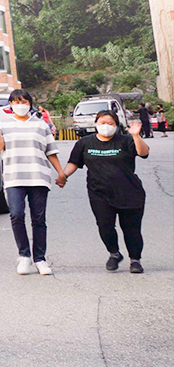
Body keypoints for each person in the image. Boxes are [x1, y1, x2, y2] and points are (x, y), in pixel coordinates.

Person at [0, 89, 66, 276]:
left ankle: (40, 259)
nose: (20, 105)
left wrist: (60, 173)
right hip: (14, 177)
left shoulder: (40, 125)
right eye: (16, 102)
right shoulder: (4, 125)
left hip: (38, 176)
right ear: (10, 104)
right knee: (16, 214)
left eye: (24, 102)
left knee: (39, 219)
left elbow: (50, 151)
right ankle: (24, 255)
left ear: (30, 104)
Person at [63, 110, 149, 273]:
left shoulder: (126, 140)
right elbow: (74, 162)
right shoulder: (85, 143)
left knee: (131, 228)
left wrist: (136, 136)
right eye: (102, 123)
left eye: (110, 123)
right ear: (96, 123)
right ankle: (114, 253)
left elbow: (143, 153)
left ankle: (135, 260)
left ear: (116, 125)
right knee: (104, 225)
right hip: (99, 193)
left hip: (129, 192)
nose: (106, 126)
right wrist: (63, 175)